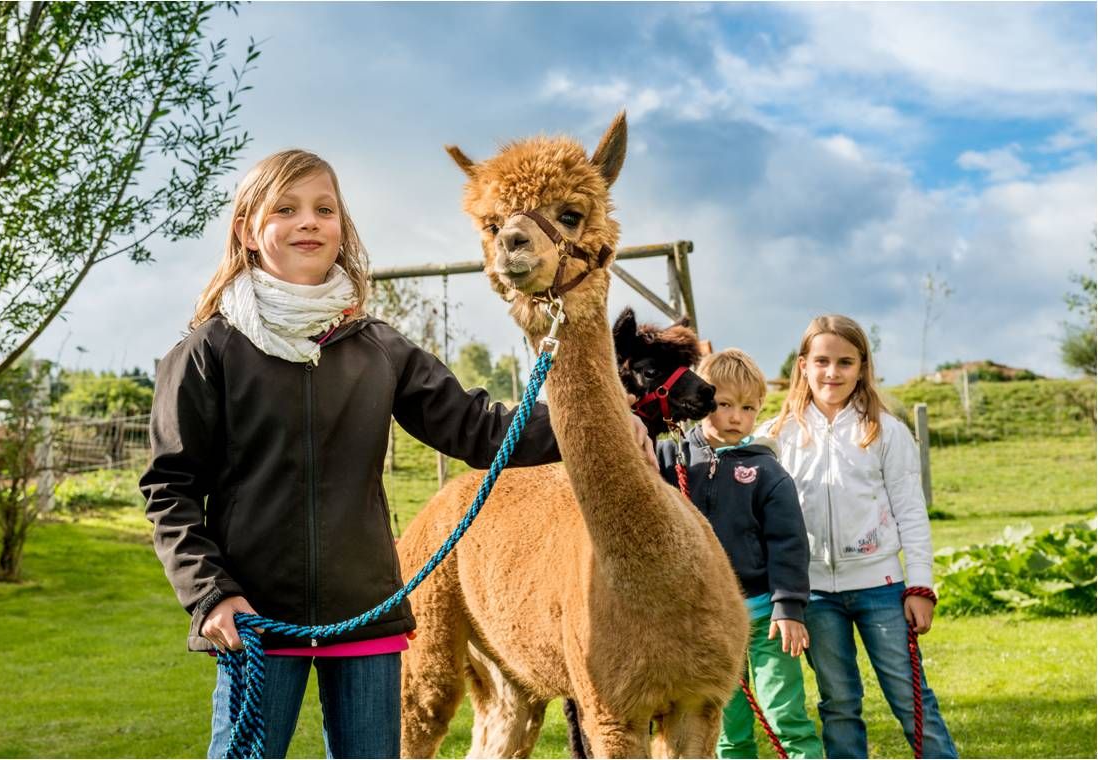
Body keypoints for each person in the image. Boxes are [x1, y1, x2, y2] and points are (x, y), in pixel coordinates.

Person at [140, 149, 655, 759]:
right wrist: (209, 595)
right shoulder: (209, 352)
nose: (309, 221)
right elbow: (168, 488)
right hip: (252, 619)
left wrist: (599, 424)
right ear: (249, 232)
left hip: (365, 614)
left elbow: (475, 427)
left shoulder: (376, 348)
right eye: (286, 209)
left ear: (342, 228)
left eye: (323, 209)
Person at [762, 315, 958, 759]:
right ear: (803, 365)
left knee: (912, 701)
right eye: (822, 361)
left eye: (845, 362)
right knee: (839, 705)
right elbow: (726, 452)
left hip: (881, 589)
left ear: (862, 366)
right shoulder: (777, 436)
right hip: (814, 595)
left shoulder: (886, 432)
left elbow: (911, 512)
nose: (833, 372)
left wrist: (920, 585)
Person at [656, 349, 822, 759]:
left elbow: (789, 543)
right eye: (725, 404)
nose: (736, 417)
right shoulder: (669, 459)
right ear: (701, 400)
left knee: (785, 715)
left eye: (748, 408)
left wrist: (789, 607)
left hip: (764, 616)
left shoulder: (767, 473)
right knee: (726, 726)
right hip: (705, 624)